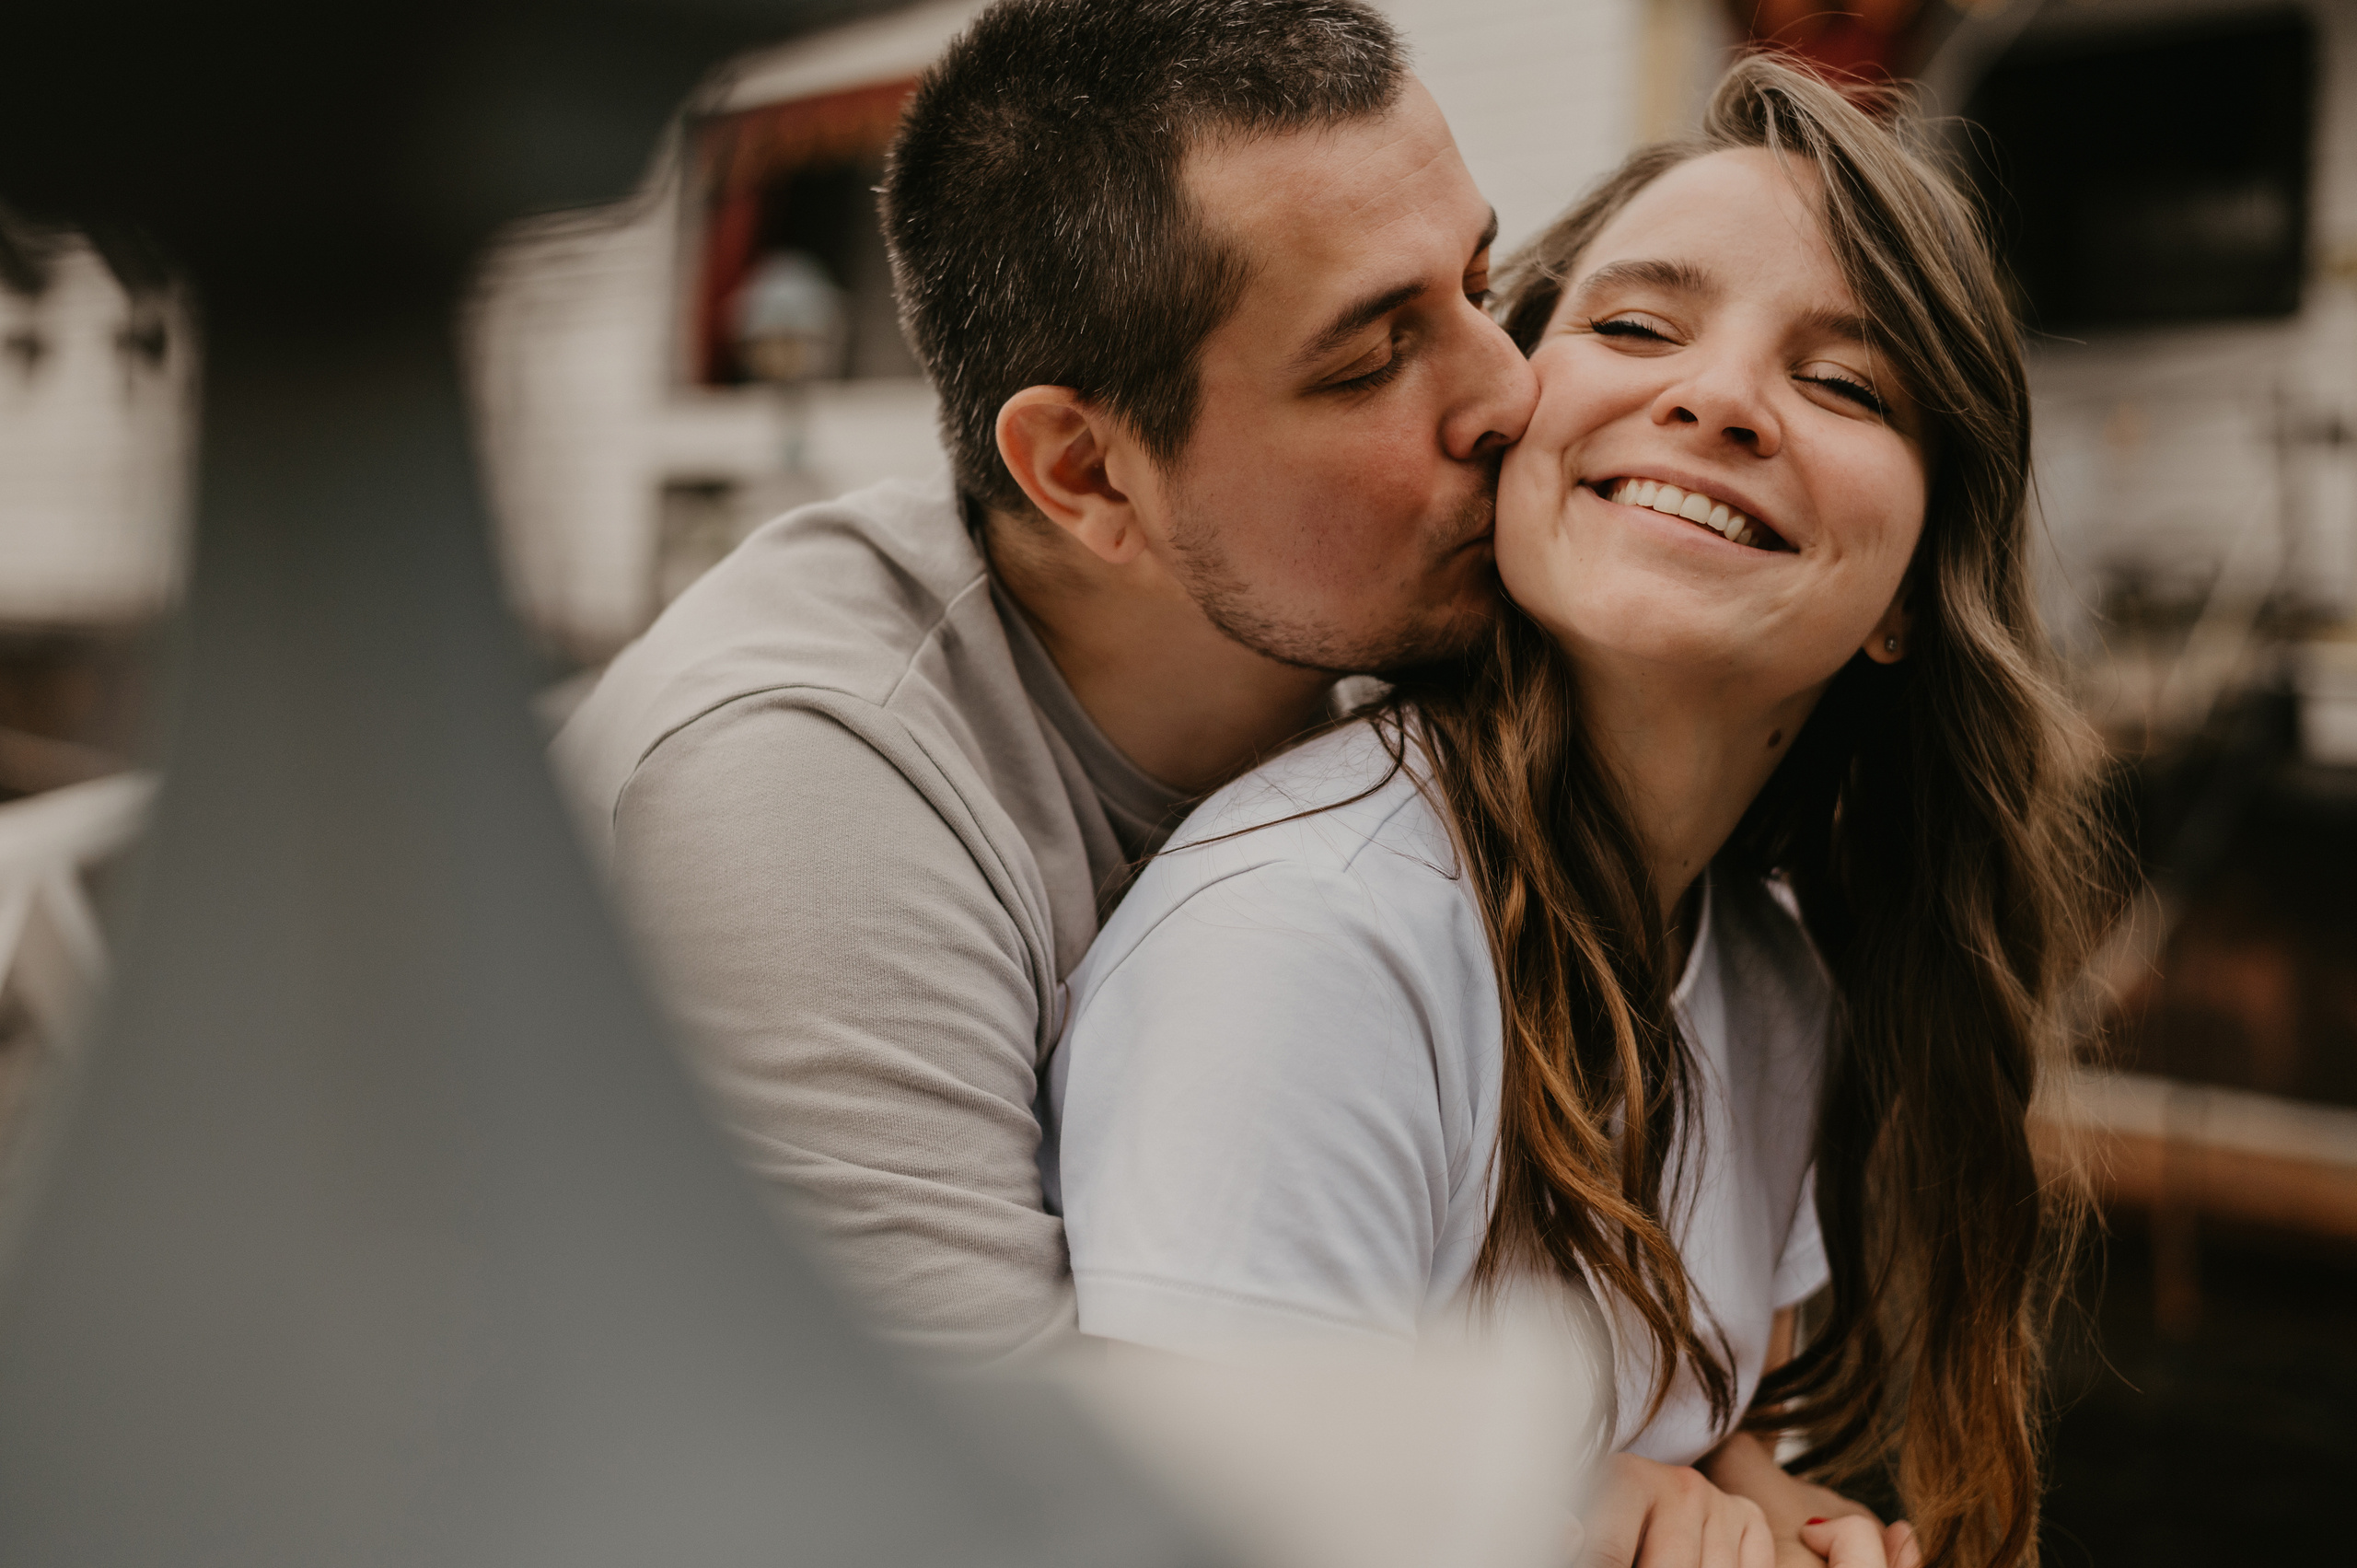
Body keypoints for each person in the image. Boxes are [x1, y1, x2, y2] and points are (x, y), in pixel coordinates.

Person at [1050, 55, 2113, 1568]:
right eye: (1633, 326)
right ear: (1510, 428)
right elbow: (1213, 1512)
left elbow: (1689, 1408)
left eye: (1845, 383)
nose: (1719, 397)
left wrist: (1781, 1514)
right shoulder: (1309, 937)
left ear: (1906, 598)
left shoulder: (1772, 981)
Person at [553, 0, 1535, 1364]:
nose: (1513, 393)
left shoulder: (1387, 635)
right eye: (1372, 357)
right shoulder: (801, 787)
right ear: (1084, 472)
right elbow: (957, 1481)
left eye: (1483, 289)